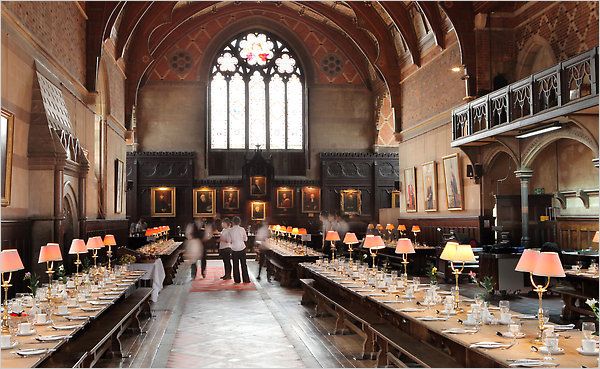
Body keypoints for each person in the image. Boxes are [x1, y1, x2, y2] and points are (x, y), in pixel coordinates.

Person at [222, 216, 250, 283]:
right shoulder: (242, 229)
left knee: (235, 265)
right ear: (239, 222)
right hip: (242, 248)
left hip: (234, 249)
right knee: (244, 264)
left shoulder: (230, 230)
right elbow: (245, 239)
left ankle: (237, 280)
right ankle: (246, 279)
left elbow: (229, 240)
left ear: (233, 222)